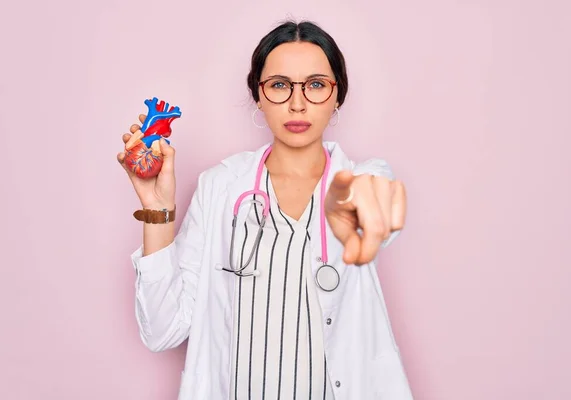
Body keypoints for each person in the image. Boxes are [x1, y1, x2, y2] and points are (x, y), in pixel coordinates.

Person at [117, 19, 413, 400]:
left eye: (317, 85)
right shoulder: (221, 187)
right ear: (258, 95)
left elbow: (380, 210)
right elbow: (162, 330)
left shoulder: (360, 181)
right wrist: (158, 210)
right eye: (279, 85)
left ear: (338, 96)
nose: (297, 101)